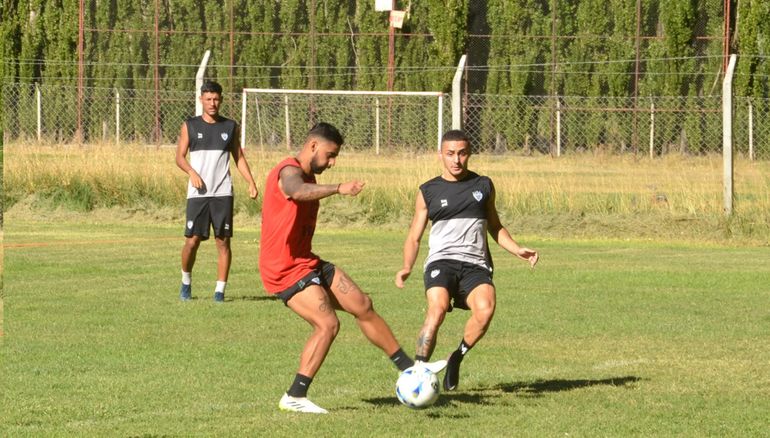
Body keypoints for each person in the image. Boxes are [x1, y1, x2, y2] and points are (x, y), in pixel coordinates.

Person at [259, 122, 445, 414]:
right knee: (328, 324)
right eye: (330, 155)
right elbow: (296, 191)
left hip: (305, 260)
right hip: (283, 268)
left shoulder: (307, 174)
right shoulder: (288, 171)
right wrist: (338, 188)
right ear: (313, 146)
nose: (332, 162)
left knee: (362, 304)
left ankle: (409, 369)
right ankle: (295, 395)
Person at [395, 129, 539, 392]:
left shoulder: (483, 185)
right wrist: (406, 267)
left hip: (475, 264)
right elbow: (414, 237)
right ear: (440, 155)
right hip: (441, 261)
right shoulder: (428, 190)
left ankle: (456, 357)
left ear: (469, 153)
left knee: (485, 310)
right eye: (450, 154)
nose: (456, 160)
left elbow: (495, 226)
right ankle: (418, 370)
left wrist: (516, 249)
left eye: (462, 153)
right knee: (437, 309)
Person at [175, 80, 258, 302]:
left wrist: (251, 182)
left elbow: (239, 157)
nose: (212, 103)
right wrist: (191, 172)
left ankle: (220, 292)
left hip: (223, 193)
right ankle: (185, 283)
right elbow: (179, 157)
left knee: (223, 242)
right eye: (208, 99)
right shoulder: (190, 126)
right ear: (201, 100)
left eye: (216, 99)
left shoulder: (230, 127)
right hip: (198, 194)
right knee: (192, 241)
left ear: (221, 100)